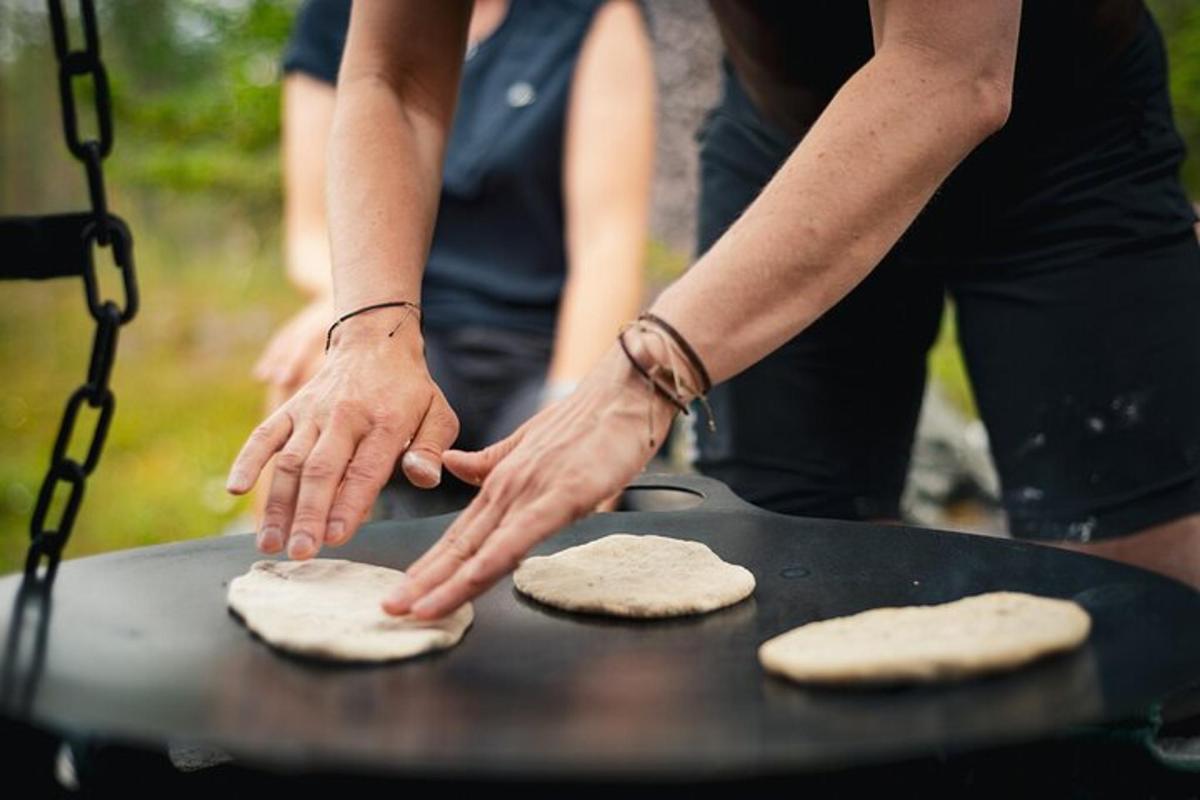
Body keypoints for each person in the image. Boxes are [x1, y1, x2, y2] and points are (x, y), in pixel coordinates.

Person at [227, 0, 1200, 623]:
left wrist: (646, 366)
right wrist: (368, 330)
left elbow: (951, 70)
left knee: (1144, 613)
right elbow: (392, 73)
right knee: (771, 578)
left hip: (1064, 147)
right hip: (787, 139)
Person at [249, 0, 654, 520]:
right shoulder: (333, 16)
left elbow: (607, 243)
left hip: (539, 342)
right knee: (306, 368)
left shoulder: (591, 14)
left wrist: (573, 399)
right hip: (412, 329)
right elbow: (308, 231)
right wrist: (347, 312)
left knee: (573, 490)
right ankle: (274, 565)